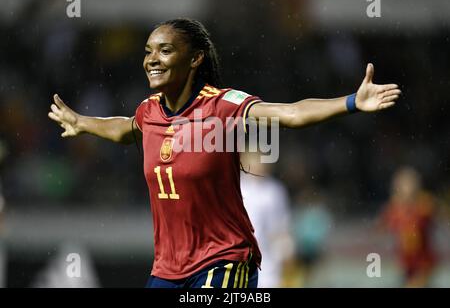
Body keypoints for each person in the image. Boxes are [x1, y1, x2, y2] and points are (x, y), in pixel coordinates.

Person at [48, 18, 401, 288]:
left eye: (165, 50)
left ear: (195, 58)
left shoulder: (223, 106)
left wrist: (353, 102)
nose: (151, 60)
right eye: (148, 51)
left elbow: (290, 114)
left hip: (224, 261)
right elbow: (125, 129)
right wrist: (82, 122)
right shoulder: (149, 112)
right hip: (167, 269)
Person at [240, 152, 294, 288]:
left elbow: (281, 226)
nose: (258, 164)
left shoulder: (275, 190)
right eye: (253, 159)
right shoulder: (237, 186)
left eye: (260, 160)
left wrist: (286, 251)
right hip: (240, 257)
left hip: (268, 261)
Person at [377, 166, 437, 287]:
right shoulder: (393, 208)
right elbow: (381, 229)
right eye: (402, 184)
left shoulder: (425, 204)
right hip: (405, 262)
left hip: (423, 262)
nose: (406, 188)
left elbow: (431, 221)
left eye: (409, 183)